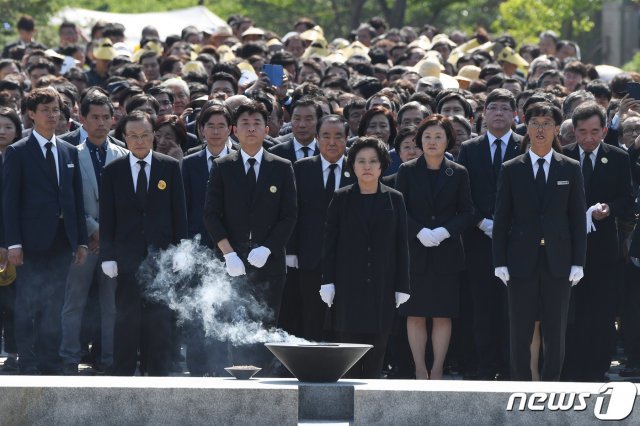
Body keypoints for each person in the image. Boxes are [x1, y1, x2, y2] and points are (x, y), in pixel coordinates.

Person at [493, 102, 587, 381]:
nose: (540, 129)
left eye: (547, 123)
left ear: (557, 129)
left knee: (555, 329)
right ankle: (520, 386)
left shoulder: (570, 168)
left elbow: (577, 219)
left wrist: (577, 262)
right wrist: (499, 261)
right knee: (520, 329)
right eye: (535, 123)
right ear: (526, 126)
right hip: (520, 259)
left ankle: (551, 387)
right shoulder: (511, 168)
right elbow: (502, 218)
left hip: (558, 260)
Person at [203, 100, 297, 371]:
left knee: (266, 328)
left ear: (267, 129)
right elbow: (211, 214)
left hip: (270, 265)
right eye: (245, 123)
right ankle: (240, 386)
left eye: (257, 123)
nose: (251, 128)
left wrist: (268, 247)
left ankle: (267, 385)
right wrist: (228, 252)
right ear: (235, 130)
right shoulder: (223, 166)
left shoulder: (281, 166)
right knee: (237, 329)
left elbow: (289, 215)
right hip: (234, 263)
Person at [3, 87, 89, 375]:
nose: (52, 115)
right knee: (28, 303)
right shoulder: (18, 151)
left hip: (62, 240)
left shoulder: (68, 150)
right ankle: (28, 362)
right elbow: (9, 201)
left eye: (56, 110)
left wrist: (80, 241)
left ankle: (50, 362)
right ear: (31, 114)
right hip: (29, 242)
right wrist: (12, 242)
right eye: (45, 110)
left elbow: (75, 199)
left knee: (54, 304)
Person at [100, 110, 188, 376]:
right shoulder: (112, 170)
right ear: (124, 138)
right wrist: (107, 255)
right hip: (126, 258)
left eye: (145, 135)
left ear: (154, 136)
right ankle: (123, 374)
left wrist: (181, 250)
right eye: (133, 136)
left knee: (160, 320)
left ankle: (158, 374)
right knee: (127, 319)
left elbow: (179, 212)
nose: (140, 141)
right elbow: (108, 216)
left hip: (162, 258)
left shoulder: (169, 167)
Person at [320, 136, 410, 379]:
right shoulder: (341, 197)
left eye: (373, 161)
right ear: (353, 165)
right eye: (361, 161)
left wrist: (403, 286)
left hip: (382, 285)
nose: (367, 166)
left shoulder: (395, 198)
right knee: (347, 354)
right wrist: (327, 281)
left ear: (382, 165)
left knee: (376, 352)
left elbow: (402, 245)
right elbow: (330, 243)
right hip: (348, 285)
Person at [396, 115, 474, 380]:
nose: (432, 142)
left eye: (438, 137)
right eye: (427, 137)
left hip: (446, 253)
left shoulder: (458, 172)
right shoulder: (407, 170)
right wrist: (418, 230)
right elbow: (399, 209)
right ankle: (419, 367)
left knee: (443, 315)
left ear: (448, 141)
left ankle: (438, 367)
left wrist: (444, 231)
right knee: (415, 313)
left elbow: (466, 212)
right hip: (415, 252)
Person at [561, 102, 633, 382]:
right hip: (566, 246)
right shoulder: (562, 156)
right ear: (573, 131)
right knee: (571, 309)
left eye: (594, 131)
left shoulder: (617, 158)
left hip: (603, 247)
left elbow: (627, 200)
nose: (588, 138)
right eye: (582, 132)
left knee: (601, 309)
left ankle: (596, 367)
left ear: (604, 130)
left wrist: (608, 209)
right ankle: (570, 366)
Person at [58, 94, 129, 374]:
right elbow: (67, 201)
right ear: (82, 120)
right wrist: (92, 229)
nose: (101, 123)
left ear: (114, 119)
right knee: (73, 302)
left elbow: (129, 203)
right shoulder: (69, 153)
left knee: (111, 305)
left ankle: (110, 360)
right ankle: (69, 358)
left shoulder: (123, 153)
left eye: (106, 117)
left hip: (114, 244)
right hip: (83, 243)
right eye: (94, 117)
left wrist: (108, 233)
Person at [457, 89, 523, 380]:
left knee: (513, 308)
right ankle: (486, 366)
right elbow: (462, 193)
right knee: (482, 306)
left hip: (517, 241)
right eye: (493, 108)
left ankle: (512, 367)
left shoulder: (526, 145)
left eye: (505, 108)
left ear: (514, 114)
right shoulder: (470, 148)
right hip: (479, 238)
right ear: (483, 113)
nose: (499, 113)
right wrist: (482, 222)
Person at [289, 115, 355, 341]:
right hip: (310, 256)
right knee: (311, 317)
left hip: (347, 259)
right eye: (326, 136)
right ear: (317, 138)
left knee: (345, 318)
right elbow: (293, 213)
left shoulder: (357, 169)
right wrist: (292, 250)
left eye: (338, 136)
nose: (332, 142)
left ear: (348, 139)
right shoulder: (301, 168)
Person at [181, 104, 235, 376]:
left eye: (221, 126)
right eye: (210, 126)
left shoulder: (240, 159)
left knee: (226, 310)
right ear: (200, 130)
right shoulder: (189, 163)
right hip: (197, 248)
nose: (216, 131)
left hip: (232, 250)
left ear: (230, 130)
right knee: (195, 311)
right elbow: (183, 208)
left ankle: (223, 367)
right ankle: (197, 369)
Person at [0, 107, 21, 371]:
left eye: (7, 126)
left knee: (14, 303)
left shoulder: (21, 158)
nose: (2, 132)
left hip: (15, 242)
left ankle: (14, 354)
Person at [271, 97, 322, 161]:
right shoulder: (275, 153)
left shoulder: (326, 152)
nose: (302, 125)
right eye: (297, 119)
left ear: (318, 121)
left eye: (308, 119)